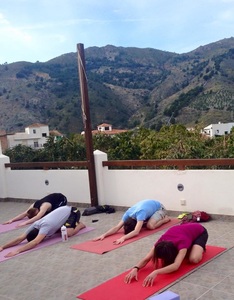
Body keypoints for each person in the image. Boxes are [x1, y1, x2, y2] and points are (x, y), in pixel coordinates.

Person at [124, 223, 208, 287]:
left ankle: (197, 246)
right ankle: (191, 246)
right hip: (184, 230)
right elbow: (146, 258)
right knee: (184, 254)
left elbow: (176, 266)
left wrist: (156, 271)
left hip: (200, 231)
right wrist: (135, 268)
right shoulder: (160, 243)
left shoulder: (182, 242)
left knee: (194, 259)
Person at [0, 206, 85, 257]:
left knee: (68, 233)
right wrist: (3, 246)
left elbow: (36, 242)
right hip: (63, 211)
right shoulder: (35, 224)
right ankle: (63, 224)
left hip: (73, 211)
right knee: (58, 230)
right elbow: (20, 238)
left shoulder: (45, 226)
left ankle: (80, 225)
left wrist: (17, 251)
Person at [93, 199, 170, 244]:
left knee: (150, 226)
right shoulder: (128, 214)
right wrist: (104, 235)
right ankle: (146, 221)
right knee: (144, 224)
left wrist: (123, 238)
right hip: (149, 207)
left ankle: (165, 219)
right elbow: (117, 227)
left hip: (160, 208)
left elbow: (136, 232)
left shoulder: (140, 213)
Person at [3, 193, 68, 227]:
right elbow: (23, 214)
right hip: (52, 200)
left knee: (55, 212)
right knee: (46, 215)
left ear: (37, 211)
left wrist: (25, 223)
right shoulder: (33, 206)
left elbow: (37, 217)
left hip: (61, 198)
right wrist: (11, 220)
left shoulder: (44, 206)